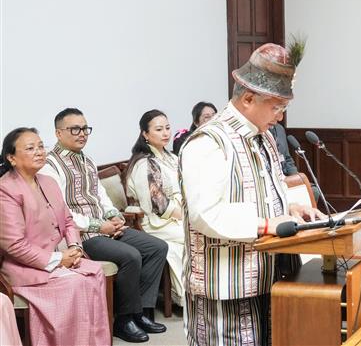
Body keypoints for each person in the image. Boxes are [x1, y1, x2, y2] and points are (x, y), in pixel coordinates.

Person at [179, 43, 327, 346]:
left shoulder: (263, 136)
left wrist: (292, 208)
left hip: (270, 274)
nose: (281, 117)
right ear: (248, 98)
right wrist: (267, 224)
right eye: (277, 107)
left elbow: (266, 190)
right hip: (228, 286)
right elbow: (206, 214)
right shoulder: (209, 142)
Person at [39, 108, 168, 343]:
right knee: (130, 256)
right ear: (58, 133)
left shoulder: (88, 160)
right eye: (75, 129)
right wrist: (100, 226)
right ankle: (123, 320)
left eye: (85, 128)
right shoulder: (50, 165)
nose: (82, 134)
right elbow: (61, 213)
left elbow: (100, 194)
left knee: (157, 247)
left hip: (105, 227)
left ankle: (141, 312)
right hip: (81, 234)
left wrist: (113, 215)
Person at [0, 127, 111, 346]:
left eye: (41, 146)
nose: (40, 152)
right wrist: (60, 259)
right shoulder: (6, 190)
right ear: (11, 158)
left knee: (94, 272)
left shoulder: (48, 182)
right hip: (23, 267)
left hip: (55, 257)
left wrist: (76, 248)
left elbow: (68, 221)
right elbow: (14, 245)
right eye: (31, 148)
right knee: (75, 285)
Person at [125, 110, 185, 307]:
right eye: (158, 129)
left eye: (167, 128)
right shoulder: (145, 162)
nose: (165, 133)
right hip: (155, 222)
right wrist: (185, 216)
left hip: (176, 214)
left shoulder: (170, 156)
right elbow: (157, 204)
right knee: (194, 234)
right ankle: (189, 294)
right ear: (145, 134)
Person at [269, 122, 322, 202]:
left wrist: (296, 178)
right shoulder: (261, 131)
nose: (280, 117)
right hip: (272, 180)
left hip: (286, 176)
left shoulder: (279, 129)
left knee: (313, 190)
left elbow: (287, 158)